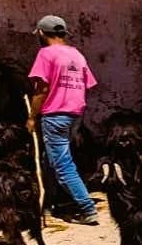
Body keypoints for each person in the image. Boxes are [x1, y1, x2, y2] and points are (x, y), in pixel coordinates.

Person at [27, 15, 100, 226]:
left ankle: (88, 209)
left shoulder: (46, 54)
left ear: (41, 33)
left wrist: (32, 116)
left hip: (54, 115)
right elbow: (88, 84)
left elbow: (42, 89)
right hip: (74, 114)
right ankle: (51, 202)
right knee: (50, 159)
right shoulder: (77, 55)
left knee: (62, 165)